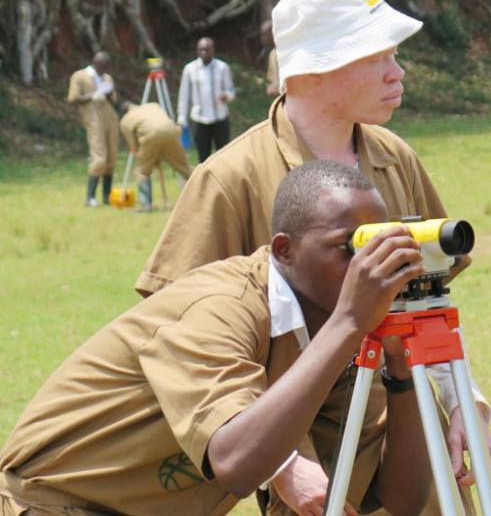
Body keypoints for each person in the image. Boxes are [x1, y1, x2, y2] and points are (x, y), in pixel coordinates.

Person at [136, 0, 491, 513]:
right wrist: (281, 467)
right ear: (313, 67)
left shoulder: (396, 159)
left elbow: (425, 305)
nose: (398, 73)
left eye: (394, 56)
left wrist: (466, 403)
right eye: (377, 58)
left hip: (412, 434)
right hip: (314, 459)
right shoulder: (229, 179)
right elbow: (179, 337)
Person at [0, 160, 431, 516]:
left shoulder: (335, 331)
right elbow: (236, 463)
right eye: (349, 247)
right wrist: (350, 321)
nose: (368, 266)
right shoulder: (219, 307)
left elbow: (400, 500)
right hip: (51, 504)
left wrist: (399, 366)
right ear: (284, 250)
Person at [66, 51, 119, 207]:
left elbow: (113, 99)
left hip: (109, 118)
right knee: (99, 157)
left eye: (106, 67)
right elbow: (73, 98)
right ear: (94, 63)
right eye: (101, 66)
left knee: (111, 158)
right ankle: (90, 197)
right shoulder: (79, 76)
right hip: (93, 119)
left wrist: (108, 92)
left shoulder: (107, 78)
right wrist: (92, 95)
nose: (103, 70)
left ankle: (107, 197)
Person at [119, 101, 194, 212]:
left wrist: (148, 158)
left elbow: (133, 146)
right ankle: (202, 193)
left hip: (151, 135)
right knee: (184, 167)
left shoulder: (125, 120)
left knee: (142, 172)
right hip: (171, 130)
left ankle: (145, 205)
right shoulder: (152, 105)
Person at [177, 37, 235, 163]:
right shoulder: (190, 69)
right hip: (200, 119)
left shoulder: (222, 67)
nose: (204, 53)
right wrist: (182, 117)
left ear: (213, 50)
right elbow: (184, 94)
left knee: (224, 156)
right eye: (201, 50)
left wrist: (226, 96)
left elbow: (231, 91)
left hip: (220, 117)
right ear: (197, 51)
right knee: (203, 159)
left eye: (207, 50)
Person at [260, 20, 280, 98]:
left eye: (265, 35)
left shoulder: (286, 53)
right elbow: (271, 80)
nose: (262, 39)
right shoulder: (272, 54)